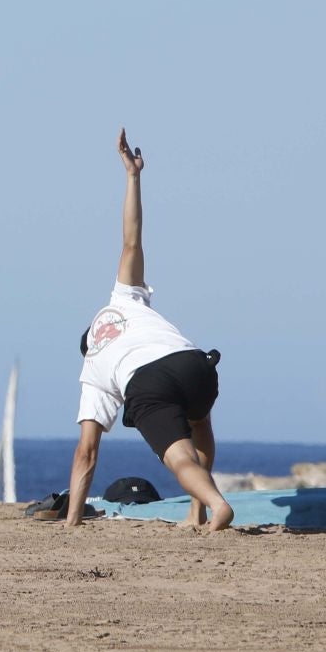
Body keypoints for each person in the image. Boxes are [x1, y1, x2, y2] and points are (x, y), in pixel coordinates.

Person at [66, 130, 233, 532]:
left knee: (179, 458)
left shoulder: (94, 369)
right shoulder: (123, 300)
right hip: (194, 363)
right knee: (200, 424)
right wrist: (133, 176)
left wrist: (72, 520)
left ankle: (215, 503)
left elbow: (86, 454)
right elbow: (131, 242)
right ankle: (197, 514)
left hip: (148, 383)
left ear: (89, 344)